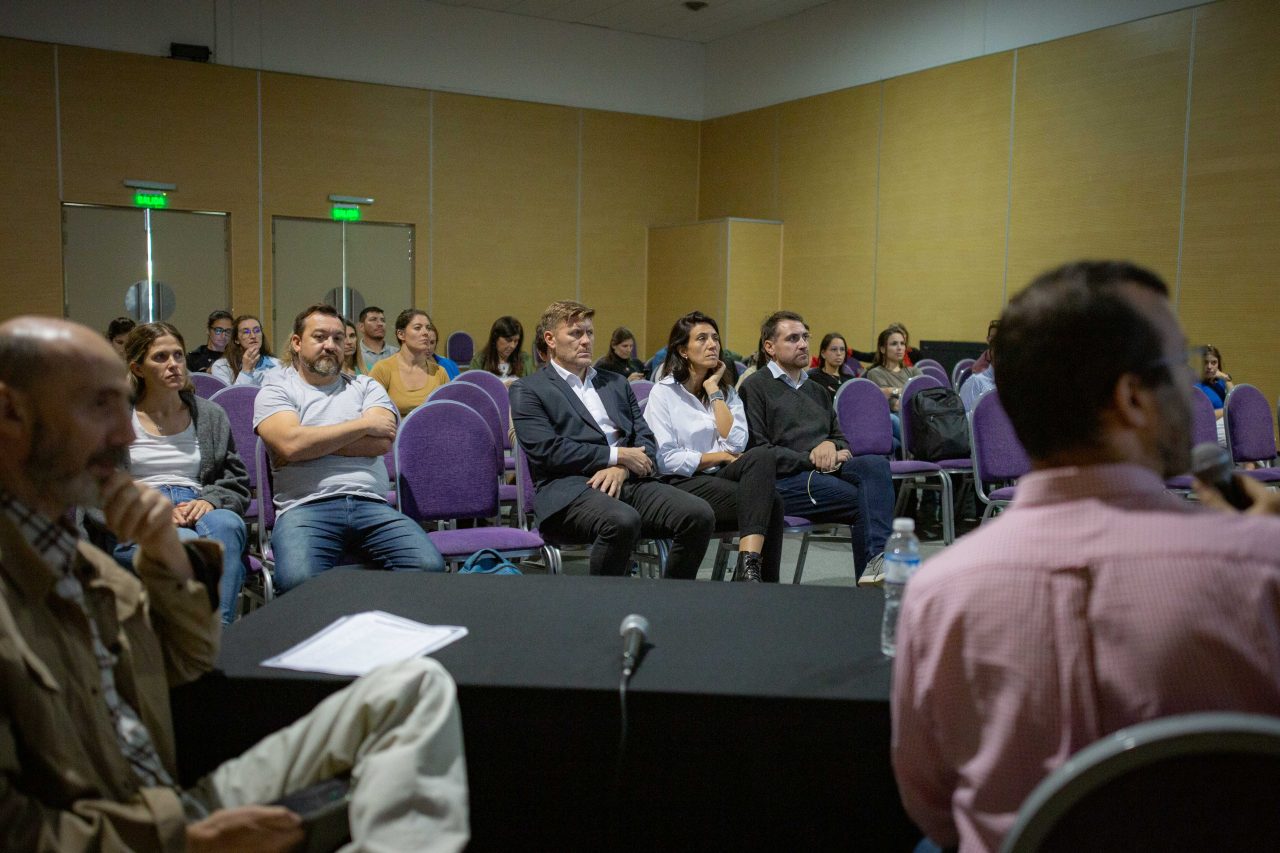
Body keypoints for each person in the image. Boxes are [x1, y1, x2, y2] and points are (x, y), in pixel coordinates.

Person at [0, 316, 468, 852]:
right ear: (9, 413)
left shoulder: (82, 561)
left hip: (171, 796)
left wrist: (166, 560)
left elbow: (192, 665)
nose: (127, 435)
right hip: (137, 832)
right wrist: (187, 841)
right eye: (97, 406)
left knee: (415, 686)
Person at [890, 261, 1280, 853]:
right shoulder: (1261, 568)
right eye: (1180, 364)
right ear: (1133, 398)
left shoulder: (938, 592)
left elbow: (932, 807)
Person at [511, 300, 715, 578]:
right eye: (575, 333)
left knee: (698, 514)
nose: (586, 341)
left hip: (626, 481)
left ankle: (671, 598)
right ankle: (605, 603)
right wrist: (617, 455)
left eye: (589, 333)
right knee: (622, 521)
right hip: (569, 490)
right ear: (550, 339)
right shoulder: (528, 389)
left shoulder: (615, 383)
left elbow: (646, 439)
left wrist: (622, 468)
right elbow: (548, 451)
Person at [254, 304, 446, 591]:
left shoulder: (365, 386)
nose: (330, 345)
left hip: (371, 505)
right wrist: (363, 424)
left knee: (429, 566)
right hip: (304, 509)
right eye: (319, 337)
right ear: (297, 342)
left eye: (338, 338)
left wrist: (310, 440)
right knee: (298, 581)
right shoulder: (276, 391)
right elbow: (290, 445)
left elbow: (382, 440)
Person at [738, 311, 895, 582]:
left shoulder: (817, 390)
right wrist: (811, 457)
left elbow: (841, 439)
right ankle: (874, 575)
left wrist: (830, 444)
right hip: (784, 479)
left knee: (876, 464)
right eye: (792, 338)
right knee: (864, 502)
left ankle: (877, 562)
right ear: (770, 347)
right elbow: (758, 452)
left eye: (805, 337)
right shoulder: (755, 387)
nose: (803, 344)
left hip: (825, 470)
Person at [115, 322, 250, 625]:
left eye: (178, 355)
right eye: (160, 357)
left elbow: (236, 479)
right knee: (188, 544)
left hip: (197, 500)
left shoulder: (209, 415)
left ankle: (219, 634)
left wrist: (212, 500)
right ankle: (211, 638)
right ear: (137, 368)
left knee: (227, 524)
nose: (174, 364)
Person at [643, 311, 786, 582]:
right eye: (702, 339)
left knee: (762, 455)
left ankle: (747, 568)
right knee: (773, 502)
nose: (712, 345)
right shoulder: (664, 393)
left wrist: (713, 389)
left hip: (719, 477)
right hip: (680, 481)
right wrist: (719, 456)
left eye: (715, 338)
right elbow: (666, 459)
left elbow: (736, 443)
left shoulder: (725, 392)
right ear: (683, 350)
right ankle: (760, 584)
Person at [369, 309, 450, 417]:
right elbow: (371, 412)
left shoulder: (440, 372)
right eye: (418, 328)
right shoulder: (382, 369)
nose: (426, 333)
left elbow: (448, 413)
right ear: (401, 334)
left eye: (427, 327)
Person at [211, 314, 281, 387]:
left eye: (257, 330)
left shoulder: (279, 365)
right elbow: (231, 395)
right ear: (236, 339)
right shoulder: (221, 366)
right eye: (246, 332)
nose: (253, 336)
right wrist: (246, 370)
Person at [470, 315, 534, 381]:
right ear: (495, 338)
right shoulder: (479, 361)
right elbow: (473, 385)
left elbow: (533, 384)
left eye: (516, 341)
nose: (513, 346)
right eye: (508, 340)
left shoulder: (526, 360)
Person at [1193, 344, 1233, 446]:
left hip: (1226, 426)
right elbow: (1203, 416)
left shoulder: (1221, 383)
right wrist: (1227, 410)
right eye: (1206, 362)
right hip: (1209, 431)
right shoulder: (1197, 387)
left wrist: (1226, 379)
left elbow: (1235, 401)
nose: (1209, 367)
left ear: (1218, 365)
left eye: (1213, 362)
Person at [186, 310, 234, 374]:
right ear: (208, 330)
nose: (223, 335)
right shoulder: (193, 358)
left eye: (228, 331)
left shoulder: (235, 358)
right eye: (218, 330)